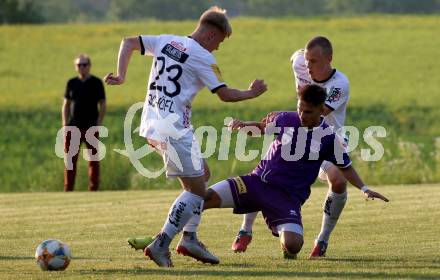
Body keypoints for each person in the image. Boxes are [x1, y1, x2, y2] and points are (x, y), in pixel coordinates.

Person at [104, 6, 267, 267]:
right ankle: (162, 244)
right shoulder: (203, 57)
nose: (218, 48)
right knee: (198, 191)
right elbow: (225, 95)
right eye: (221, 42)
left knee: (202, 175)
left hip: (153, 125)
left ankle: (189, 237)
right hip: (175, 130)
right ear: (213, 35)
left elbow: (128, 42)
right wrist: (252, 93)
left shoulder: (167, 40)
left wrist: (122, 75)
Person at [202, 84, 388, 260]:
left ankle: (288, 243)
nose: (301, 115)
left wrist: (364, 188)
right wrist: (242, 125)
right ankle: (189, 235)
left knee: (293, 245)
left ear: (321, 110)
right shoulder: (286, 119)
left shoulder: (329, 138)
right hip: (260, 182)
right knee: (203, 198)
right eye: (299, 109)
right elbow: (260, 128)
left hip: (288, 197)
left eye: (307, 112)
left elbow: (346, 168)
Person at [232, 36, 351, 258]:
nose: (308, 66)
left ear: (329, 59)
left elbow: (317, 114)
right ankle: (245, 230)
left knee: (339, 180)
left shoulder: (339, 85)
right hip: (295, 136)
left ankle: (322, 241)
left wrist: (281, 117)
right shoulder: (300, 62)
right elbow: (294, 57)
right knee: (265, 176)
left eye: (314, 61)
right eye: (307, 60)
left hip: (324, 140)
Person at [62, 54, 106, 192]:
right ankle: (68, 189)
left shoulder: (97, 83)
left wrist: (98, 123)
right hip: (73, 128)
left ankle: (93, 190)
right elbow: (66, 105)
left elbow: (103, 104)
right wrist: (64, 125)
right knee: (70, 161)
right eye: (79, 65)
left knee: (93, 160)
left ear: (89, 66)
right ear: (75, 67)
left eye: (84, 64)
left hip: (91, 127)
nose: (82, 67)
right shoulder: (71, 83)